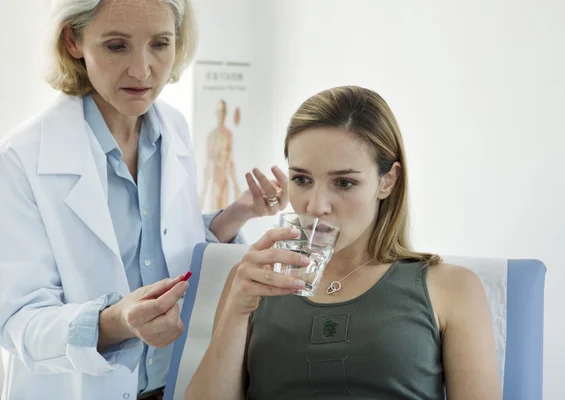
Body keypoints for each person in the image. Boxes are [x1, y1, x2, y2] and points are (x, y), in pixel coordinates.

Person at [0, 1, 286, 399]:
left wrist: (238, 213)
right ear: (73, 41)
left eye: (160, 44)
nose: (142, 69)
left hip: (176, 382)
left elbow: (171, 244)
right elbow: (18, 321)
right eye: (117, 45)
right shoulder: (22, 157)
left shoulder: (174, 129)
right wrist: (116, 321)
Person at [186, 86, 502, 399]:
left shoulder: (452, 288)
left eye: (344, 183)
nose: (315, 205)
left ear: (387, 181)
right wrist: (236, 312)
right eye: (302, 179)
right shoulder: (252, 282)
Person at [199, 99, 242, 211]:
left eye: (223, 111)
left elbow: (231, 162)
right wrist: (203, 191)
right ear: (216, 113)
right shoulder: (211, 136)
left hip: (225, 183)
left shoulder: (229, 135)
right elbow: (207, 165)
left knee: (225, 217)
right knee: (214, 215)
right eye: (219, 111)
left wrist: (236, 186)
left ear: (225, 113)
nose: (221, 114)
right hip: (215, 183)